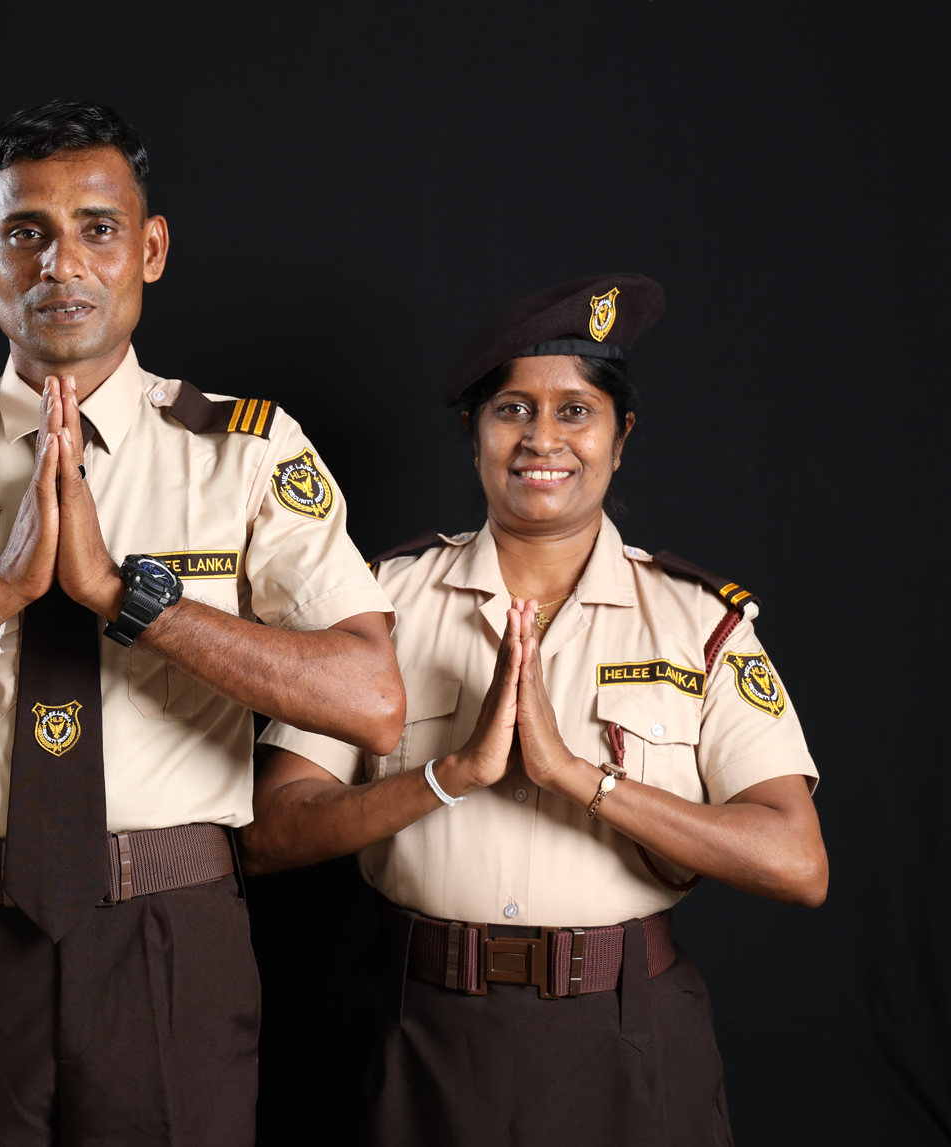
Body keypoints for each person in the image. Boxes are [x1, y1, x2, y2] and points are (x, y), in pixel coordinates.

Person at [0, 101, 406, 1146]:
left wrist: (130, 599)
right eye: (26, 232)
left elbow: (369, 700)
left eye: (97, 227)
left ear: (151, 247)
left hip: (170, 935)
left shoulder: (247, 450)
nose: (62, 263)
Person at [242, 273, 830, 1145]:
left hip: (626, 1037)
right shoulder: (379, 607)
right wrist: (450, 774)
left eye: (575, 411)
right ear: (474, 434)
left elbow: (797, 863)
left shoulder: (699, 624)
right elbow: (270, 831)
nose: (541, 439)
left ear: (620, 436)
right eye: (512, 409)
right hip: (415, 1031)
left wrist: (579, 778)